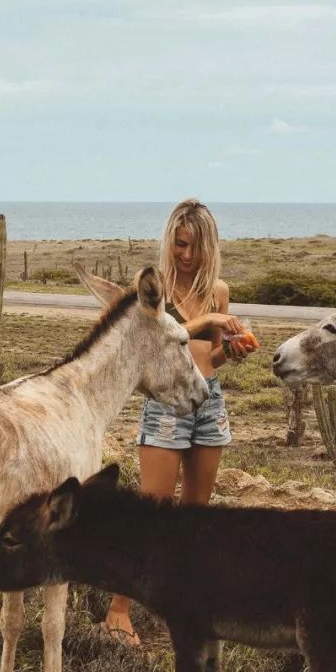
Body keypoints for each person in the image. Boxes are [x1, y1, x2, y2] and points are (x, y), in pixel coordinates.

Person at [102, 199, 253, 648]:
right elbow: (172, 335)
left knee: (194, 519)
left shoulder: (219, 291)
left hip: (208, 402)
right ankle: (117, 612)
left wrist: (232, 352)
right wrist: (208, 320)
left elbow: (210, 357)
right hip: (167, 406)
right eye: (181, 244)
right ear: (170, 240)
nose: (186, 255)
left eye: (196, 247)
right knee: (152, 513)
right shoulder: (153, 289)